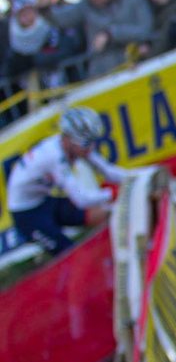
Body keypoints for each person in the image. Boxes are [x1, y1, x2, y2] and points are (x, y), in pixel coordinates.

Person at [6, 107, 131, 256]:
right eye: (86, 144)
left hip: (43, 201)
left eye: (92, 142)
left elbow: (108, 171)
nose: (90, 148)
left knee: (107, 213)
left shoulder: (71, 146)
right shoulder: (55, 157)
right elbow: (81, 199)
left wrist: (142, 176)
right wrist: (115, 193)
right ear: (68, 139)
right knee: (71, 254)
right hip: (26, 215)